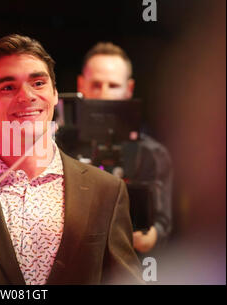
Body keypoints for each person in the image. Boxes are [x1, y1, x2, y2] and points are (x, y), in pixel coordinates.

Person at [0, 34, 142, 284]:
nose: (27, 96)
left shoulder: (106, 191)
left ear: (54, 94)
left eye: (38, 83)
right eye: (8, 87)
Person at [77, 42, 173, 254]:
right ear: (81, 85)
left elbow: (162, 224)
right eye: (95, 84)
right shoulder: (59, 148)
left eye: (112, 86)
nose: (103, 94)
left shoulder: (152, 154)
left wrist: (148, 237)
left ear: (128, 89)